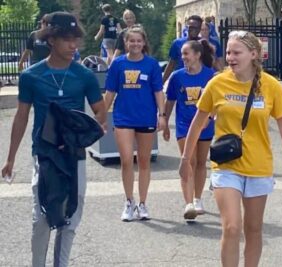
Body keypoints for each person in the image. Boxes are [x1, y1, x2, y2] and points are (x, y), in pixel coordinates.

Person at [178, 30, 282, 266]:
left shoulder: (271, 87)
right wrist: (185, 159)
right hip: (226, 166)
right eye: (228, 52)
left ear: (253, 54)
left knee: (253, 229)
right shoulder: (217, 83)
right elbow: (198, 123)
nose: (230, 57)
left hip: (259, 167)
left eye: (236, 52)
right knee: (231, 227)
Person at [1, 11, 107, 266]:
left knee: (71, 217)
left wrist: (85, 133)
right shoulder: (31, 76)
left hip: (74, 155)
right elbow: (22, 118)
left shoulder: (84, 76)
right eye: (67, 40)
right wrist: (10, 159)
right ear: (51, 40)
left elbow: (100, 112)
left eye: (76, 40)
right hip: (45, 155)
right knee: (42, 219)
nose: (74, 45)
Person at [104, 25, 166, 222]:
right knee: (126, 160)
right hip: (123, 117)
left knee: (145, 161)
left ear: (144, 43)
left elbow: (158, 91)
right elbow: (110, 92)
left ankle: (143, 203)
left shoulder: (152, 64)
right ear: (126, 42)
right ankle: (129, 201)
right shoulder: (118, 64)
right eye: (132, 41)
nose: (136, 44)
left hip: (146, 117)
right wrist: (101, 116)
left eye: (139, 41)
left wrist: (162, 115)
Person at [163, 40, 215, 220]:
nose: (183, 58)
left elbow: (217, 101)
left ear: (197, 55)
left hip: (205, 125)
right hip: (184, 125)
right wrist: (164, 120)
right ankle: (188, 203)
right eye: (182, 54)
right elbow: (170, 100)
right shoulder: (177, 77)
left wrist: (210, 116)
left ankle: (198, 198)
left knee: (201, 162)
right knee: (189, 160)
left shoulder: (211, 75)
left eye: (186, 54)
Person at [163, 15, 223, 83]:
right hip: (182, 80)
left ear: (200, 28)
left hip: (201, 81)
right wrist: (162, 83)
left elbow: (215, 64)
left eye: (196, 28)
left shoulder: (204, 44)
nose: (193, 30)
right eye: (191, 27)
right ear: (187, 27)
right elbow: (171, 64)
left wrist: (221, 77)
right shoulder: (177, 43)